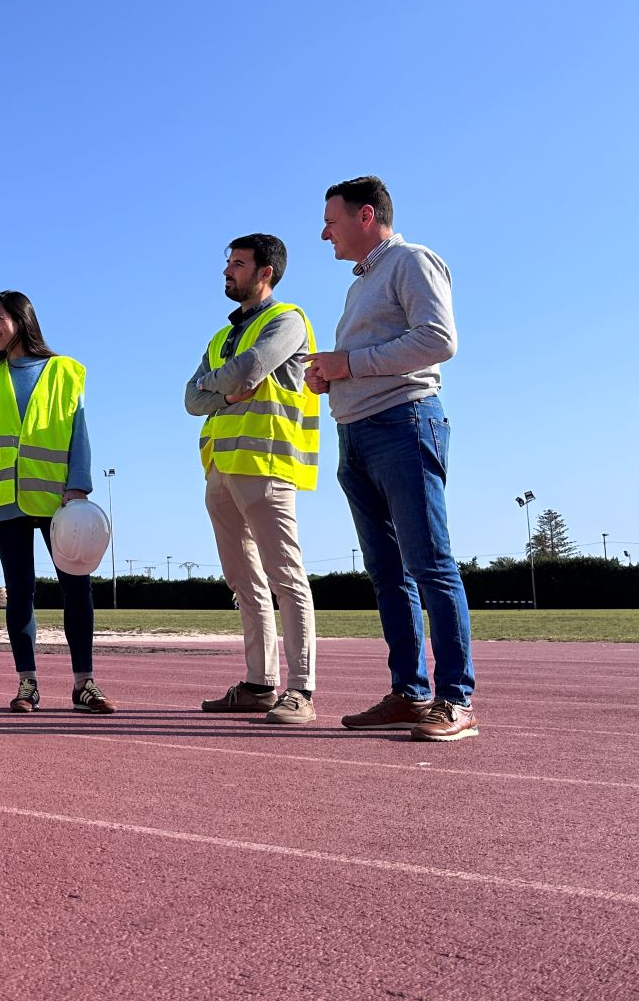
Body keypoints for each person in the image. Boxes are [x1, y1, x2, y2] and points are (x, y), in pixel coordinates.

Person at [305, 176, 478, 742]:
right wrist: (329, 376)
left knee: (429, 561)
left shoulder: (411, 260)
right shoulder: (361, 284)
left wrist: (347, 365)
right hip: (355, 433)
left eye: (331, 219)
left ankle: (455, 699)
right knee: (386, 571)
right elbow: (368, 355)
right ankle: (410, 692)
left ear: (366, 216)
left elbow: (437, 339)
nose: (324, 230)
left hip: (404, 423)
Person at [185, 234, 321, 725]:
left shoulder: (287, 321)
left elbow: (249, 372)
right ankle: (260, 683)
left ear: (265, 272)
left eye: (238, 264)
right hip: (221, 470)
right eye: (228, 262)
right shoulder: (219, 338)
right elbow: (191, 399)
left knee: (286, 576)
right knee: (244, 582)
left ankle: (301, 689)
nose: (228, 271)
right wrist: (222, 390)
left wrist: (217, 385)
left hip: (266, 465)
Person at [0, 291, 115, 715]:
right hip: (4, 497)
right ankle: (27, 683)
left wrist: (78, 484)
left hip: (58, 498)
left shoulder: (65, 371)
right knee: (20, 592)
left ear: (22, 320)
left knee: (76, 589)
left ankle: (85, 683)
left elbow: (78, 429)